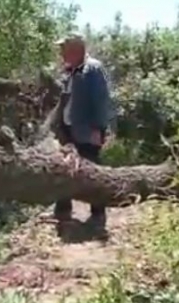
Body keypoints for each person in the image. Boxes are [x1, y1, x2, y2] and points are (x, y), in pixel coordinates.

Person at [52, 32, 112, 227]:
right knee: (64, 169)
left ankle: (98, 215)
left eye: (65, 49)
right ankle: (62, 211)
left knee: (92, 172)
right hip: (69, 130)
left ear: (76, 49)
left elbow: (101, 102)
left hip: (88, 131)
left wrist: (98, 129)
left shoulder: (93, 69)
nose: (61, 53)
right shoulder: (71, 70)